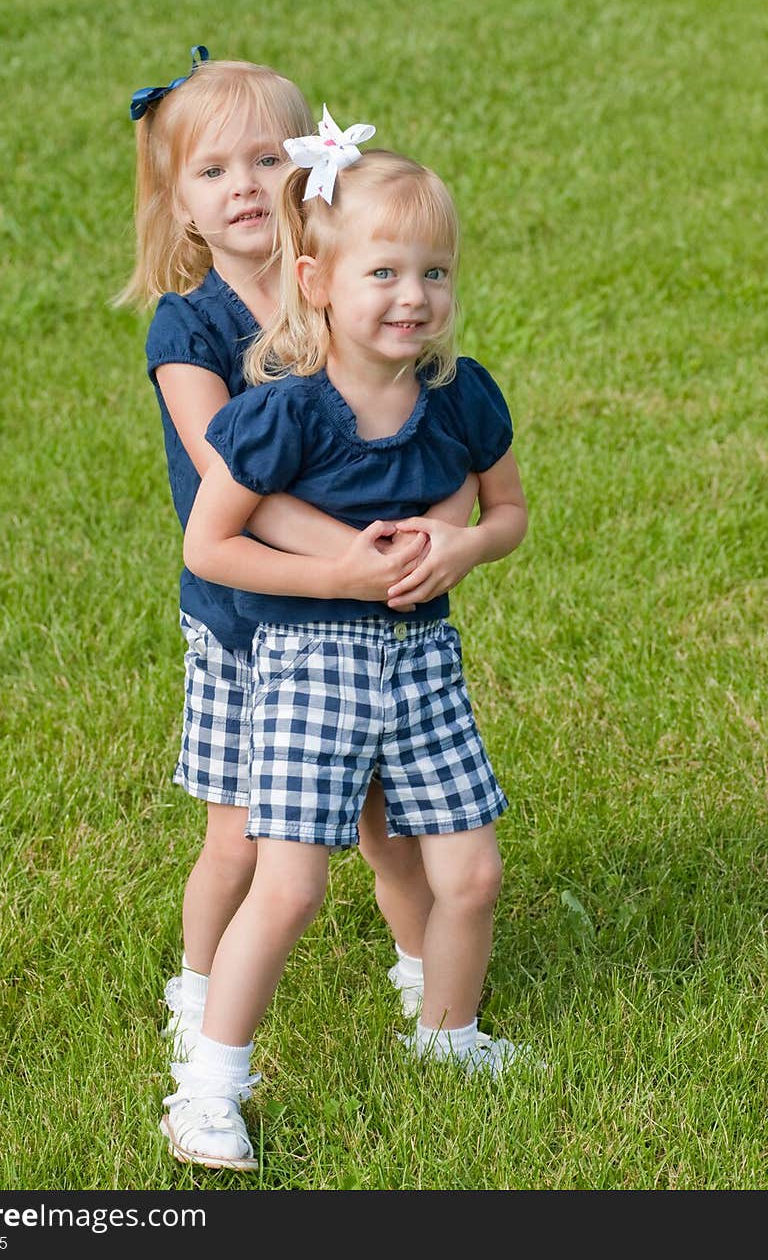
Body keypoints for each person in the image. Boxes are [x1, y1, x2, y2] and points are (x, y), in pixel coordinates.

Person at [165, 112, 533, 1172]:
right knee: (291, 885)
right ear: (317, 281)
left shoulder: (459, 399)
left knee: (469, 874)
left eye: (435, 272)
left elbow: (505, 513)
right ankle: (209, 1087)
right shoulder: (285, 414)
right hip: (306, 668)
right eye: (384, 272)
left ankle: (449, 1039)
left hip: (423, 664)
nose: (414, 296)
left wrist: (460, 549)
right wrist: (334, 575)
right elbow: (211, 544)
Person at [116, 50, 482, 1071]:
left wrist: (431, 538)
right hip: (246, 613)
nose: (241, 186)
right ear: (179, 203)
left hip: (356, 617)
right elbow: (233, 477)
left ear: (303, 174)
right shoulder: (190, 329)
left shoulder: (342, 293)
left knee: (382, 818)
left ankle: (424, 967)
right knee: (240, 837)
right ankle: (198, 989)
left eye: (262, 159)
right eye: (211, 170)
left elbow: (430, 428)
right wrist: (360, 561)